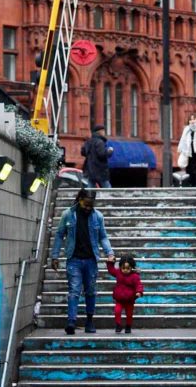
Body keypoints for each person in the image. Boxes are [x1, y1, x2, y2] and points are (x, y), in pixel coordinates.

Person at [50, 188, 115, 334]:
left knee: (90, 291)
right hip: (74, 259)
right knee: (74, 290)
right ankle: (71, 322)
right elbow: (60, 235)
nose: (88, 208)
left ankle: (89, 321)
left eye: (91, 205)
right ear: (80, 200)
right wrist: (55, 256)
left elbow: (103, 237)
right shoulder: (68, 214)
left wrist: (110, 253)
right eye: (86, 204)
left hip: (91, 260)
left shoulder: (97, 216)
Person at [106, 254, 143, 334]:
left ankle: (128, 326)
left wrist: (139, 292)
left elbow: (138, 284)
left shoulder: (134, 276)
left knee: (129, 314)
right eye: (123, 268)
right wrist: (110, 263)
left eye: (128, 268)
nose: (125, 270)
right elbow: (111, 270)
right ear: (120, 267)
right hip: (119, 299)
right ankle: (118, 325)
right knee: (117, 311)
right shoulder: (118, 273)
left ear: (131, 267)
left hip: (130, 300)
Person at [81, 124, 113, 189]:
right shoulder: (100, 142)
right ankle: (109, 199)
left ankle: (87, 199)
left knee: (89, 190)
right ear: (100, 132)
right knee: (108, 189)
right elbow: (102, 154)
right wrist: (109, 151)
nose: (104, 133)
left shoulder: (88, 142)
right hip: (100, 170)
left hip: (89, 170)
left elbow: (83, 152)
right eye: (103, 131)